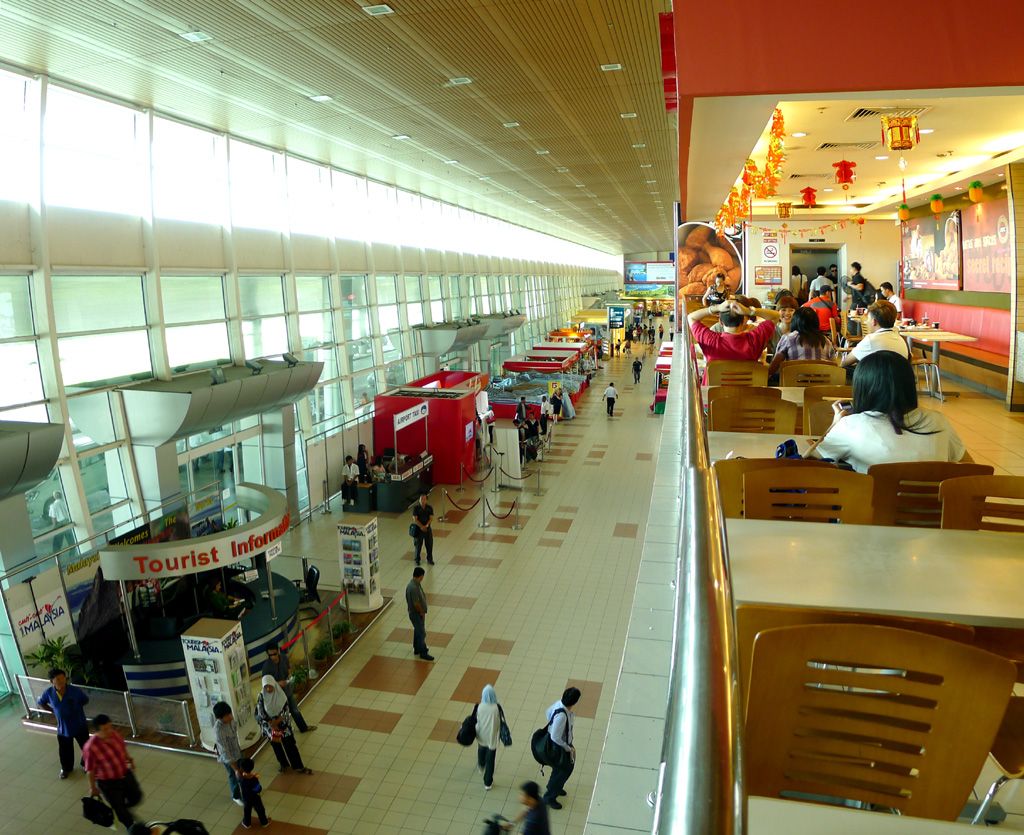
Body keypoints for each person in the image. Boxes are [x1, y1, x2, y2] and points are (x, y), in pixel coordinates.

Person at [808, 351, 970, 473]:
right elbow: (971, 468)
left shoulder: (850, 425)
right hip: (935, 509)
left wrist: (835, 424)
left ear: (862, 389)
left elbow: (809, 462)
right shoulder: (939, 422)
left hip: (869, 508)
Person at [688, 299, 779, 383]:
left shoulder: (710, 340)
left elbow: (691, 317)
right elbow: (776, 316)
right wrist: (749, 311)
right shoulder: (754, 339)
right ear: (743, 321)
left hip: (712, 394)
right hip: (748, 394)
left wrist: (717, 308)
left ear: (720, 322)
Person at [83, 714, 141, 830]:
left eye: (110, 727)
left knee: (136, 796)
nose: (110, 731)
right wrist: (93, 787)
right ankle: (131, 827)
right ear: (97, 731)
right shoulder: (90, 747)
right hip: (109, 784)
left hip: (125, 774)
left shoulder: (114, 734)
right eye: (105, 729)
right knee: (120, 809)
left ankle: (124, 809)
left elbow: (122, 748)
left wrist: (129, 759)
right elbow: (90, 770)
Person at [37, 667, 89, 779]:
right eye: (58, 679)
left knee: (87, 747)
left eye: (62, 678)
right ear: (52, 681)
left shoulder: (75, 691)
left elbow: (85, 700)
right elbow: (41, 702)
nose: (61, 681)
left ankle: (86, 764)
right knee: (65, 750)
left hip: (79, 724)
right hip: (63, 728)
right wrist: (53, 711)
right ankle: (66, 768)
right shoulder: (48, 693)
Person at [255, 675, 313, 775]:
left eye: (270, 686)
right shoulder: (261, 696)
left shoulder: (280, 694)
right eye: (266, 687)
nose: (268, 689)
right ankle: (283, 764)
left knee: (290, 745)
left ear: (274, 684)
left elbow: (286, 710)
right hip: (270, 727)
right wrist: (271, 724)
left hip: (283, 724)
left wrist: (277, 721)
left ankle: (298, 766)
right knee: (276, 746)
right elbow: (261, 713)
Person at [767, 307, 838, 377]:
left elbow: (774, 368)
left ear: (795, 321)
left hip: (793, 383)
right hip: (822, 383)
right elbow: (835, 367)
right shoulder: (826, 340)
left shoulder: (788, 338)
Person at [262, 644, 315, 733]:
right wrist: (278, 684)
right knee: (280, 716)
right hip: (277, 696)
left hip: (287, 691)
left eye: (275, 654)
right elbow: (266, 685)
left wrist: (290, 675)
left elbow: (288, 668)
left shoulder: (284, 658)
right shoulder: (266, 667)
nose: (273, 657)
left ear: (278, 651)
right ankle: (281, 733)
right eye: (270, 655)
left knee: (295, 710)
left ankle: (303, 728)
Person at [840, 300, 909, 367]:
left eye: (868, 318)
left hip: (878, 374)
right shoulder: (901, 339)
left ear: (874, 322)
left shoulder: (871, 340)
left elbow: (845, 363)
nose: (866, 321)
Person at [543, 687, 581, 808]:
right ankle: (549, 797)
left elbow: (548, 712)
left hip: (560, 744)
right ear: (574, 702)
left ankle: (554, 787)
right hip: (560, 746)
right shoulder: (562, 716)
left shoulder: (558, 704)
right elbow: (555, 737)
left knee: (558, 770)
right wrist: (568, 748)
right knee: (564, 770)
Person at [213, 701, 244, 806]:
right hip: (228, 757)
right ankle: (236, 796)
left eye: (230, 713)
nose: (231, 717)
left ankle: (245, 790)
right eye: (227, 715)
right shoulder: (219, 731)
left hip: (237, 751)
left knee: (242, 772)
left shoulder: (231, 721)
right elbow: (225, 753)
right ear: (220, 718)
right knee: (233, 775)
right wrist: (235, 769)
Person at [475, 684, 504, 790]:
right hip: (492, 736)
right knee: (491, 760)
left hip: (481, 734)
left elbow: (477, 720)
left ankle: (481, 765)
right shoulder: (496, 708)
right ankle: (487, 783)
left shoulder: (480, 707)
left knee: (481, 750)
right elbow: (499, 722)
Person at [405, 566, 433, 661]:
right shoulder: (413, 587)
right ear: (420, 576)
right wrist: (421, 612)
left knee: (418, 630)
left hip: (417, 613)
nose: (423, 578)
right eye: (422, 576)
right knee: (421, 633)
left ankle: (416, 648)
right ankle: (423, 652)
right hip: (416, 614)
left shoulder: (416, 584)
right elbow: (416, 604)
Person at [238, 756, 270, 829]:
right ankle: (264, 822)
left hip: (246, 797)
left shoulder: (241, 778)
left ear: (242, 769)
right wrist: (259, 786)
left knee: (247, 810)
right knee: (260, 809)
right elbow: (258, 789)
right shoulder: (254, 779)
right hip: (255, 797)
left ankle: (247, 823)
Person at [411, 491, 434, 566]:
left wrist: (426, 525)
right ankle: (417, 560)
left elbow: (431, 518)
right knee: (418, 546)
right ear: (419, 500)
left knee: (429, 545)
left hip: (427, 529)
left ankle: (430, 559)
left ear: (426, 500)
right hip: (418, 530)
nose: (422, 501)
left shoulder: (429, 508)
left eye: (424, 499)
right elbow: (415, 519)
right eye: (421, 499)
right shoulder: (416, 508)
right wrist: (421, 526)